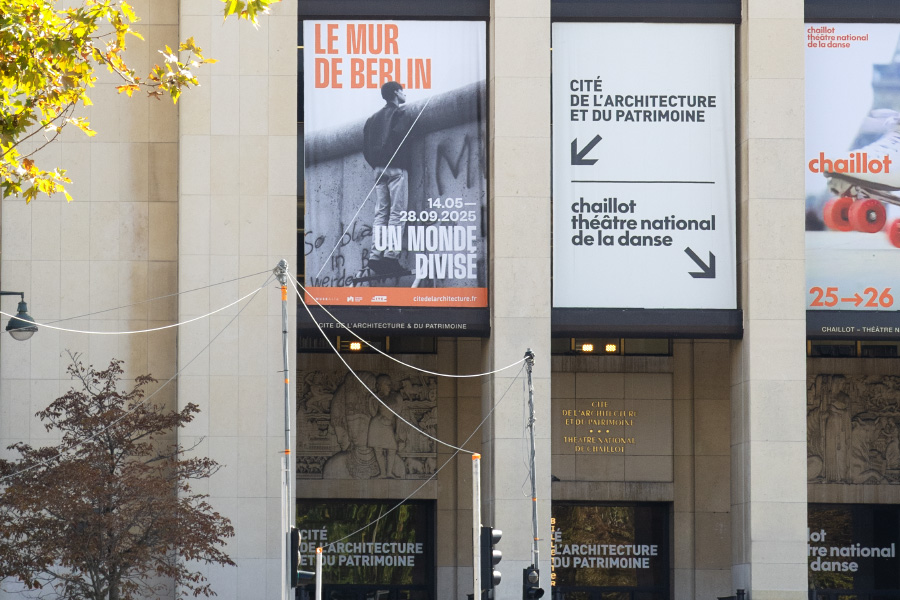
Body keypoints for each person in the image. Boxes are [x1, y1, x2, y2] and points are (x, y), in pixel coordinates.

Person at [363, 81, 414, 274]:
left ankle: (375, 256)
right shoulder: (400, 113)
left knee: (381, 213)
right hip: (396, 168)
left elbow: (365, 148)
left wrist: (377, 163)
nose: (405, 93)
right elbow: (403, 136)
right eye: (402, 90)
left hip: (378, 170)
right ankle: (391, 257)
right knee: (397, 213)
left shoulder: (372, 118)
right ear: (395, 93)